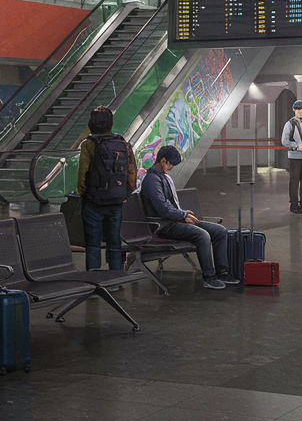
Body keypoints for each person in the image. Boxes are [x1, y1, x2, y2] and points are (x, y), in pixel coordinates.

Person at [140, 145, 239, 289]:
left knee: (220, 231)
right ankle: (209, 277)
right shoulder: (151, 180)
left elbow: (168, 205)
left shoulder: (162, 177)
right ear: (163, 161)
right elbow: (163, 208)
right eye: (171, 164)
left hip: (174, 220)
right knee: (202, 235)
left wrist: (182, 213)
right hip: (163, 226)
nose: (171, 167)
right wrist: (182, 215)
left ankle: (222, 272)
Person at [76, 105, 137, 270]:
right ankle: (115, 277)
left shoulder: (88, 144)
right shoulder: (122, 143)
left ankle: (95, 278)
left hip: (93, 202)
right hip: (116, 201)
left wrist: (83, 192)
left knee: (93, 244)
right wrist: (124, 193)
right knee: (114, 242)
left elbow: (83, 173)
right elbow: (132, 171)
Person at [280, 100, 302, 214]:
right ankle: (294, 204)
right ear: (294, 110)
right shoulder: (289, 124)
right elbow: (284, 141)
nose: (300, 112)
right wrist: (296, 146)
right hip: (295, 157)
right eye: (298, 110)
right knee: (294, 181)